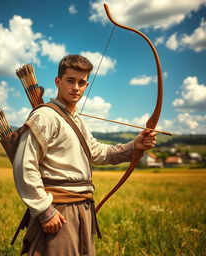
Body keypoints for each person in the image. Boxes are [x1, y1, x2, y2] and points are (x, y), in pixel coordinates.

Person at [13, 55, 157, 256]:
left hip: (83, 209)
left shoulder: (76, 118)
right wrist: (45, 211)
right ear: (58, 81)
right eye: (70, 80)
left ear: (87, 84)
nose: (76, 87)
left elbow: (97, 153)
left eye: (81, 83)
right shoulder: (45, 115)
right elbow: (24, 165)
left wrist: (135, 146)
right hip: (58, 210)